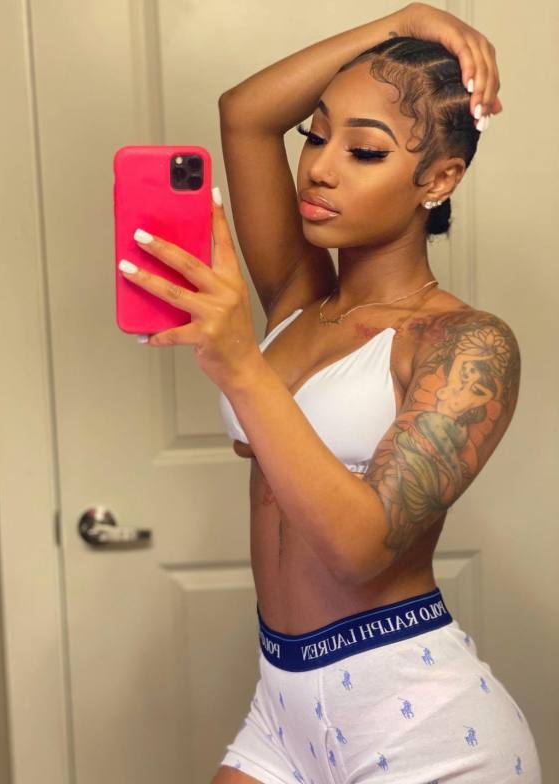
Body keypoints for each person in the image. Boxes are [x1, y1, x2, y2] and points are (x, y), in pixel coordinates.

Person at [211, 3, 542, 783]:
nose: (320, 168)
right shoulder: (299, 301)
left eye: (364, 151)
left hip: (420, 720)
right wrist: (404, 22)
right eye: (316, 135)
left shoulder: (464, 344)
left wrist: (237, 363)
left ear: (440, 178)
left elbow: (361, 548)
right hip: (281, 704)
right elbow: (245, 114)